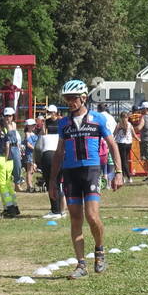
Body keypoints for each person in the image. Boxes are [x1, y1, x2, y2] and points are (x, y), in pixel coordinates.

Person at [49, 79, 124, 278]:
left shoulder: (98, 119)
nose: (70, 102)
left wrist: (118, 172)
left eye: (73, 98)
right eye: (67, 99)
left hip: (91, 170)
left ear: (83, 98)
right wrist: (52, 181)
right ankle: (81, 264)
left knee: (92, 216)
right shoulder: (63, 123)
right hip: (70, 173)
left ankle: (99, 250)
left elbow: (112, 145)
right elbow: (58, 153)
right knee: (75, 219)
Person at [112, 110, 134, 185]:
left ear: (120, 118)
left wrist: (111, 140)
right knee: (125, 160)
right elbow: (133, 134)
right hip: (129, 144)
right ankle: (124, 177)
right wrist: (138, 139)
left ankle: (128, 177)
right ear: (127, 118)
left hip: (121, 143)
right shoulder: (130, 124)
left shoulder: (119, 124)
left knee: (122, 161)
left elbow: (114, 134)